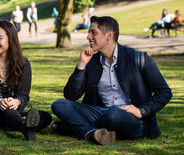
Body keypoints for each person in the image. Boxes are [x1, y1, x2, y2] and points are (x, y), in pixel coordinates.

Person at [51, 16, 172, 145]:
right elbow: (70, 96)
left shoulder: (139, 58)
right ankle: (90, 133)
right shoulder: (92, 62)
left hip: (131, 118)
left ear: (109, 35)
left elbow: (164, 92)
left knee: (114, 114)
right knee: (59, 104)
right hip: (101, 113)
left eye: (93, 33)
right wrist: (81, 65)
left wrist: (142, 111)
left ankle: (74, 128)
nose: (88, 37)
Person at [0, 20, 52, 141]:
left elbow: (24, 94)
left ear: (11, 39)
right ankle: (25, 129)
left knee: (46, 117)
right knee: (9, 113)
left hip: (13, 108)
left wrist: (17, 102)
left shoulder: (23, 63)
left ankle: (19, 123)